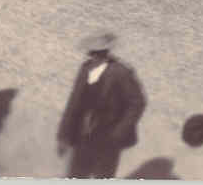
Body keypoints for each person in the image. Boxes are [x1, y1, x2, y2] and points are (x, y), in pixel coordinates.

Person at [56, 32, 146, 179]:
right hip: (82, 135)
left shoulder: (121, 72)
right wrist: (63, 136)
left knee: (103, 176)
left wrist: (119, 132)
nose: (94, 57)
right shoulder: (85, 69)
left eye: (99, 53)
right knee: (76, 175)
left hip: (108, 137)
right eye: (92, 53)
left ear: (106, 53)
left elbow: (138, 102)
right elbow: (73, 103)